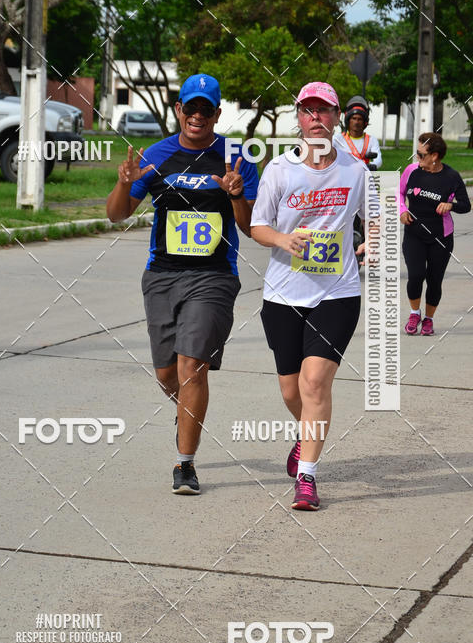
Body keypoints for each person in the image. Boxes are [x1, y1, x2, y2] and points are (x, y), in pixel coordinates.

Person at [106, 74, 259, 494]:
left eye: (205, 109)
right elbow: (116, 215)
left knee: (192, 368)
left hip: (213, 277)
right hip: (162, 276)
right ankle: (189, 413)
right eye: (190, 107)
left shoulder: (236, 157)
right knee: (167, 375)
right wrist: (124, 182)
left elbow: (247, 226)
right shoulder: (157, 155)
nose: (197, 116)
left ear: (217, 114)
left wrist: (235, 194)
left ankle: (185, 464)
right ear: (178, 110)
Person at [251, 81, 374, 511]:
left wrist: (371, 242)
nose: (316, 118)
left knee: (315, 382)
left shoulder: (355, 171)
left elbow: (374, 219)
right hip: (283, 294)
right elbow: (257, 226)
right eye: (308, 111)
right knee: (292, 392)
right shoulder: (279, 170)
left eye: (325, 111)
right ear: (299, 118)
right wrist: (283, 240)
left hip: (337, 292)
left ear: (337, 117)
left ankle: (307, 478)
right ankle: (305, 437)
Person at [399, 132, 470, 336]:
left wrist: (451, 205)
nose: (417, 159)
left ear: (434, 156)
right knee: (415, 275)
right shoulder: (412, 171)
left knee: (434, 279)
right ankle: (414, 313)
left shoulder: (451, 177)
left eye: (421, 155)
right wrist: (402, 210)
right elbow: (399, 193)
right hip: (414, 234)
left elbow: (465, 205)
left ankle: (428, 320)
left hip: (441, 237)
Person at [334, 95, 382, 169]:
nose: (356, 122)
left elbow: (378, 159)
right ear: (348, 121)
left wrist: (373, 165)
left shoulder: (372, 140)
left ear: (365, 122)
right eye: (354, 118)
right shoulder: (337, 139)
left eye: (360, 119)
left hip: (364, 175)